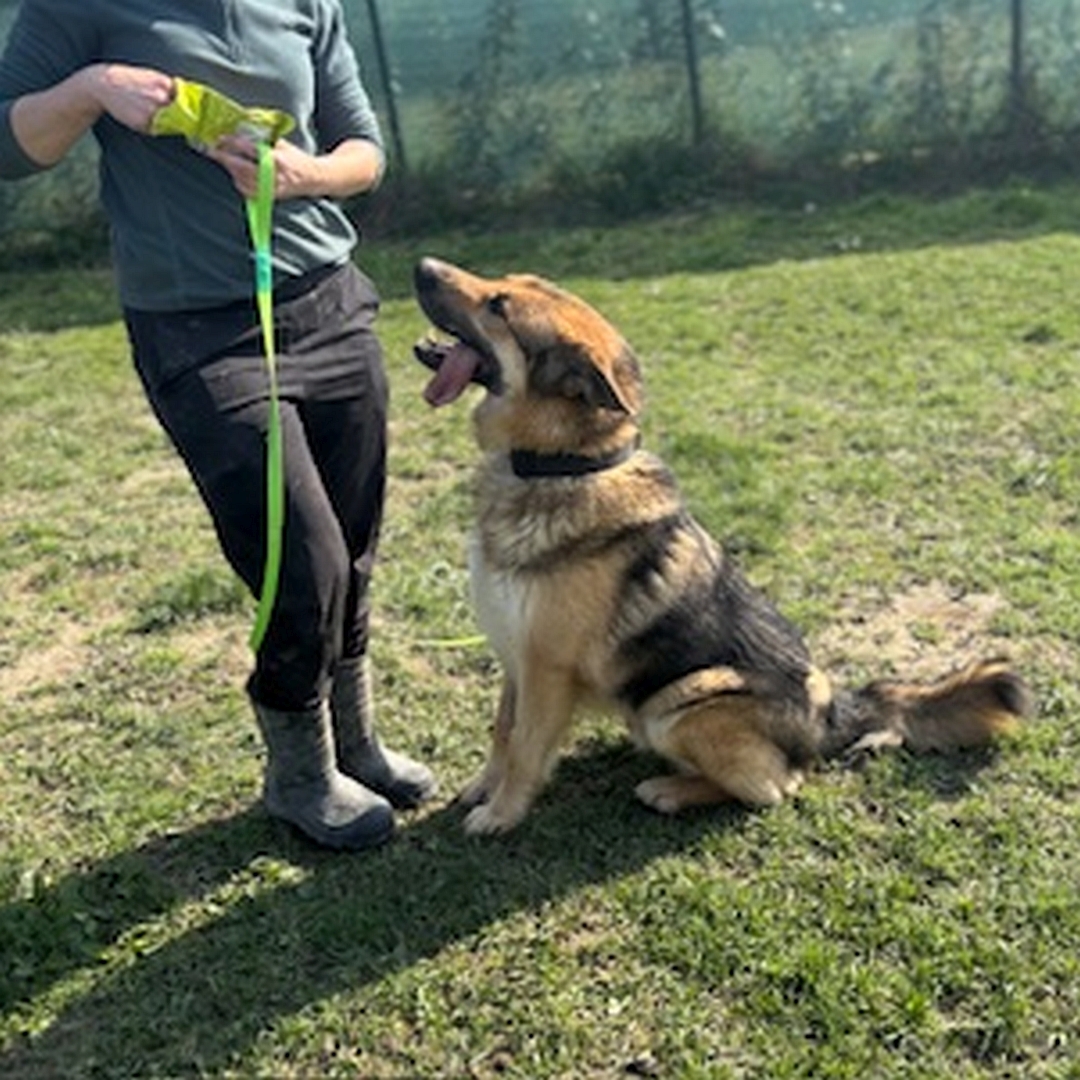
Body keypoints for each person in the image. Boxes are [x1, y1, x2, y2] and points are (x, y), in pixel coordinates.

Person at [0, 0, 436, 851]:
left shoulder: (305, 4)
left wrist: (304, 174)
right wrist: (91, 88)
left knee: (352, 547)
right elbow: (7, 145)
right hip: (196, 329)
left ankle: (355, 744)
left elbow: (364, 150)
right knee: (300, 559)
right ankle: (300, 773)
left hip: (330, 304)